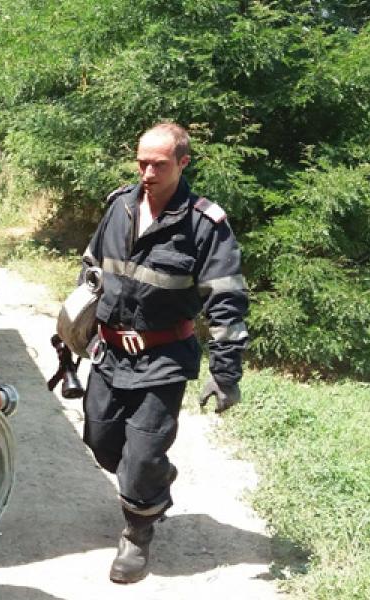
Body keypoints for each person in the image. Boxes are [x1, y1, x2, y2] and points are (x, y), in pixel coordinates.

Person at [79, 122, 249, 584]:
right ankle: (153, 478)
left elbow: (226, 298)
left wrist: (226, 373)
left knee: (141, 456)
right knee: (100, 440)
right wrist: (73, 327)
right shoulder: (118, 206)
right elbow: (91, 270)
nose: (147, 173)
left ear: (182, 162)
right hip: (110, 354)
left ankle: (137, 533)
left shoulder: (204, 223)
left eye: (158, 164)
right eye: (141, 163)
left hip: (164, 359)